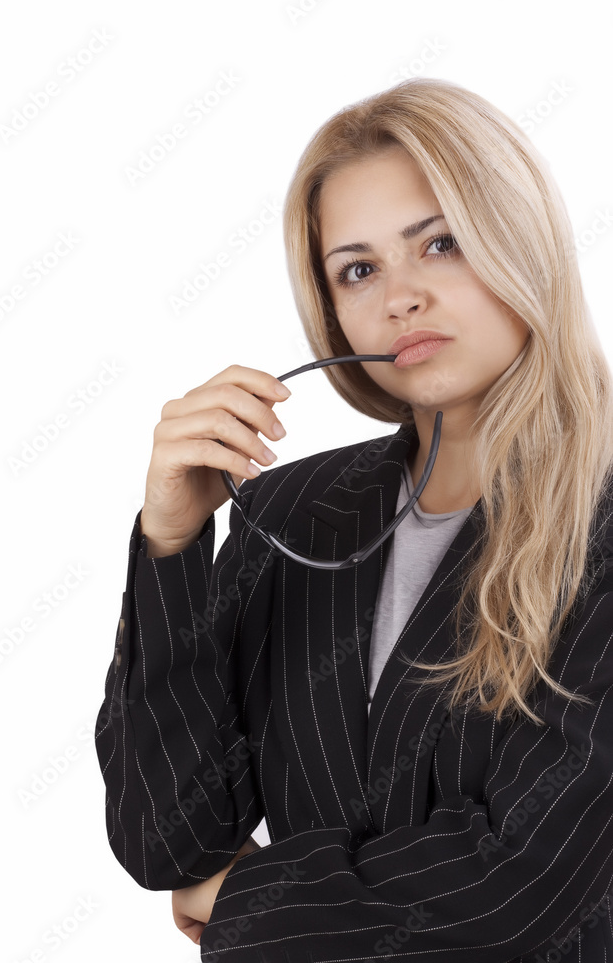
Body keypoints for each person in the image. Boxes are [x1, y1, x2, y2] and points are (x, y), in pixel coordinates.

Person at [95, 77, 613, 962]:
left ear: (520, 242)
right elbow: (169, 841)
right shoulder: (292, 513)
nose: (398, 297)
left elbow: (520, 886)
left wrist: (248, 902)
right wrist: (172, 545)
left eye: (440, 243)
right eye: (358, 270)